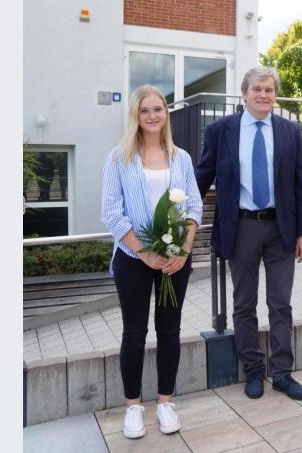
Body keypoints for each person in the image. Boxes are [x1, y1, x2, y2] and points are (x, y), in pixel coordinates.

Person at [195, 66, 302, 401]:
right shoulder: (221, 131)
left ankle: (282, 373)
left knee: (281, 303)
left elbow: (300, 185)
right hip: (241, 227)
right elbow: (201, 177)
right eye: (257, 89)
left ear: (275, 95)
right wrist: (179, 215)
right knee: (244, 303)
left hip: (281, 228)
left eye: (269, 90)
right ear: (244, 93)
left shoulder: (290, 131)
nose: (263, 95)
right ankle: (253, 371)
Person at [101, 84, 203, 439]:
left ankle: (164, 403)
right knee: (134, 332)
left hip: (175, 260)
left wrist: (183, 249)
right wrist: (144, 252)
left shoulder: (181, 158)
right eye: (145, 110)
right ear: (135, 115)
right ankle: (133, 408)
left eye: (158, 108)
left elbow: (194, 206)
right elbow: (112, 212)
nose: (152, 115)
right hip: (133, 258)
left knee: (170, 330)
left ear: (166, 112)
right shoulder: (119, 158)